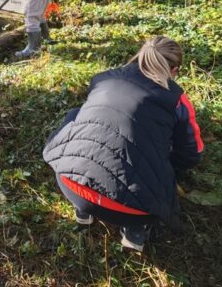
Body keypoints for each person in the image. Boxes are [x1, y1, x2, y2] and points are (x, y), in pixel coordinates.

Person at [42, 36, 204, 252]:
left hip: (69, 182)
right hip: (133, 209)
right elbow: (192, 153)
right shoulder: (176, 101)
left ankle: (83, 211)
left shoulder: (102, 79)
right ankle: (135, 231)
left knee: (75, 115)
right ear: (173, 70)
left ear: (139, 56)